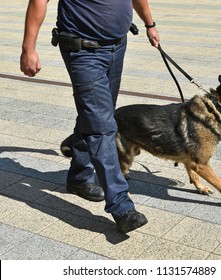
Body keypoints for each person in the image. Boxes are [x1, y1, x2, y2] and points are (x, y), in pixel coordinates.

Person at [20, 0, 160, 233]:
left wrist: (149, 23)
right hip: (83, 51)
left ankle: (79, 175)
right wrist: (28, 48)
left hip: (117, 46)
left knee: (98, 115)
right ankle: (121, 205)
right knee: (102, 127)